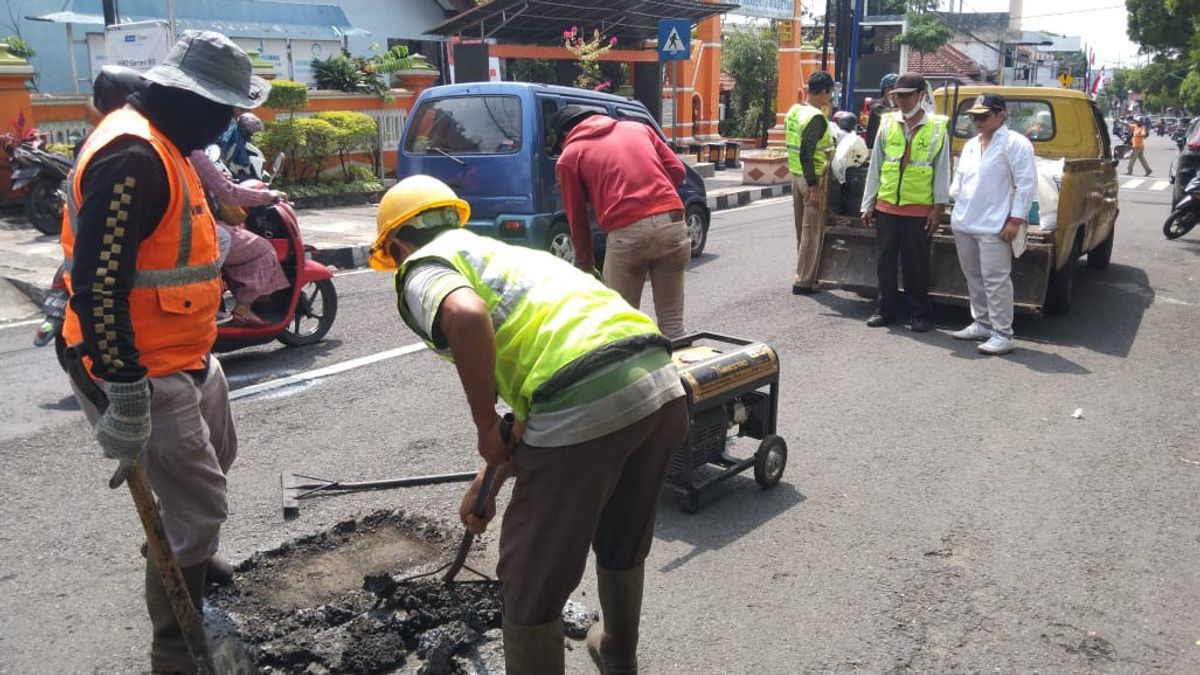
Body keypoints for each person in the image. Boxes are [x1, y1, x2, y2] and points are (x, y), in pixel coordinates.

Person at [368, 174, 689, 674]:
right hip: (660, 384)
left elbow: (467, 316)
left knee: (529, 581)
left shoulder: (421, 266)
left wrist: (482, 426)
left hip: (582, 398)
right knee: (623, 536)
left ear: (397, 242)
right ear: (453, 218)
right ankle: (618, 655)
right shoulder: (509, 256)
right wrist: (487, 478)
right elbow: (544, 378)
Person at [59, 31, 267, 674]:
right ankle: (175, 646)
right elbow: (98, 283)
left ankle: (188, 552)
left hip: (185, 352)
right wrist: (121, 389)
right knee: (200, 501)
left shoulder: (171, 143)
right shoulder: (134, 157)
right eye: (223, 108)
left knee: (214, 461)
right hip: (141, 366)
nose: (230, 119)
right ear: (186, 97)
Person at [553, 105, 690, 338]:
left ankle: (637, 373)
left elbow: (578, 220)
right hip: (673, 223)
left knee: (621, 325)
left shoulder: (570, 155)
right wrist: (652, 195)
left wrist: (585, 265)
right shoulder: (639, 128)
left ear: (566, 134)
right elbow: (678, 170)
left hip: (627, 234)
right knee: (673, 324)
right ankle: (676, 372)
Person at [860, 72, 951, 332]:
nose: (902, 101)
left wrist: (938, 208)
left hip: (918, 208)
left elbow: (942, 170)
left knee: (917, 265)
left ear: (921, 96)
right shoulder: (887, 124)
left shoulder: (936, 128)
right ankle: (885, 310)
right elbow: (876, 166)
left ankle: (919, 313)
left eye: (907, 95)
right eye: (898, 96)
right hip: (887, 205)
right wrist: (868, 203)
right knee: (885, 262)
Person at [948, 93, 1037, 355]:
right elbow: (961, 181)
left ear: (1001, 115)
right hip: (966, 221)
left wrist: (1016, 220)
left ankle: (1002, 333)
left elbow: (1026, 184)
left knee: (996, 280)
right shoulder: (972, 144)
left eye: (984, 116)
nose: (978, 121)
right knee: (973, 276)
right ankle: (983, 322)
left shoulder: (1015, 144)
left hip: (996, 224)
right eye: (975, 116)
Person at [188, 149, 289, 326]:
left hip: (187, 222)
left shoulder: (164, 147)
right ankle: (242, 307)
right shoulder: (193, 153)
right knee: (262, 250)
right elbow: (227, 192)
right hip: (197, 223)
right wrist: (268, 196)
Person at [784, 71, 835, 294]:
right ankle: (804, 281)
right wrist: (814, 186)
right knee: (812, 233)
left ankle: (803, 272)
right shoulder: (815, 118)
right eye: (829, 93)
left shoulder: (795, 111)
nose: (830, 98)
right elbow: (806, 152)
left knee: (801, 231)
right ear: (823, 91)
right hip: (811, 178)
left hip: (795, 176)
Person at [865, 73, 899, 150]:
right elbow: (892, 114)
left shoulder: (894, 108)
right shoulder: (877, 107)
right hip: (875, 151)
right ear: (888, 92)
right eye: (898, 92)